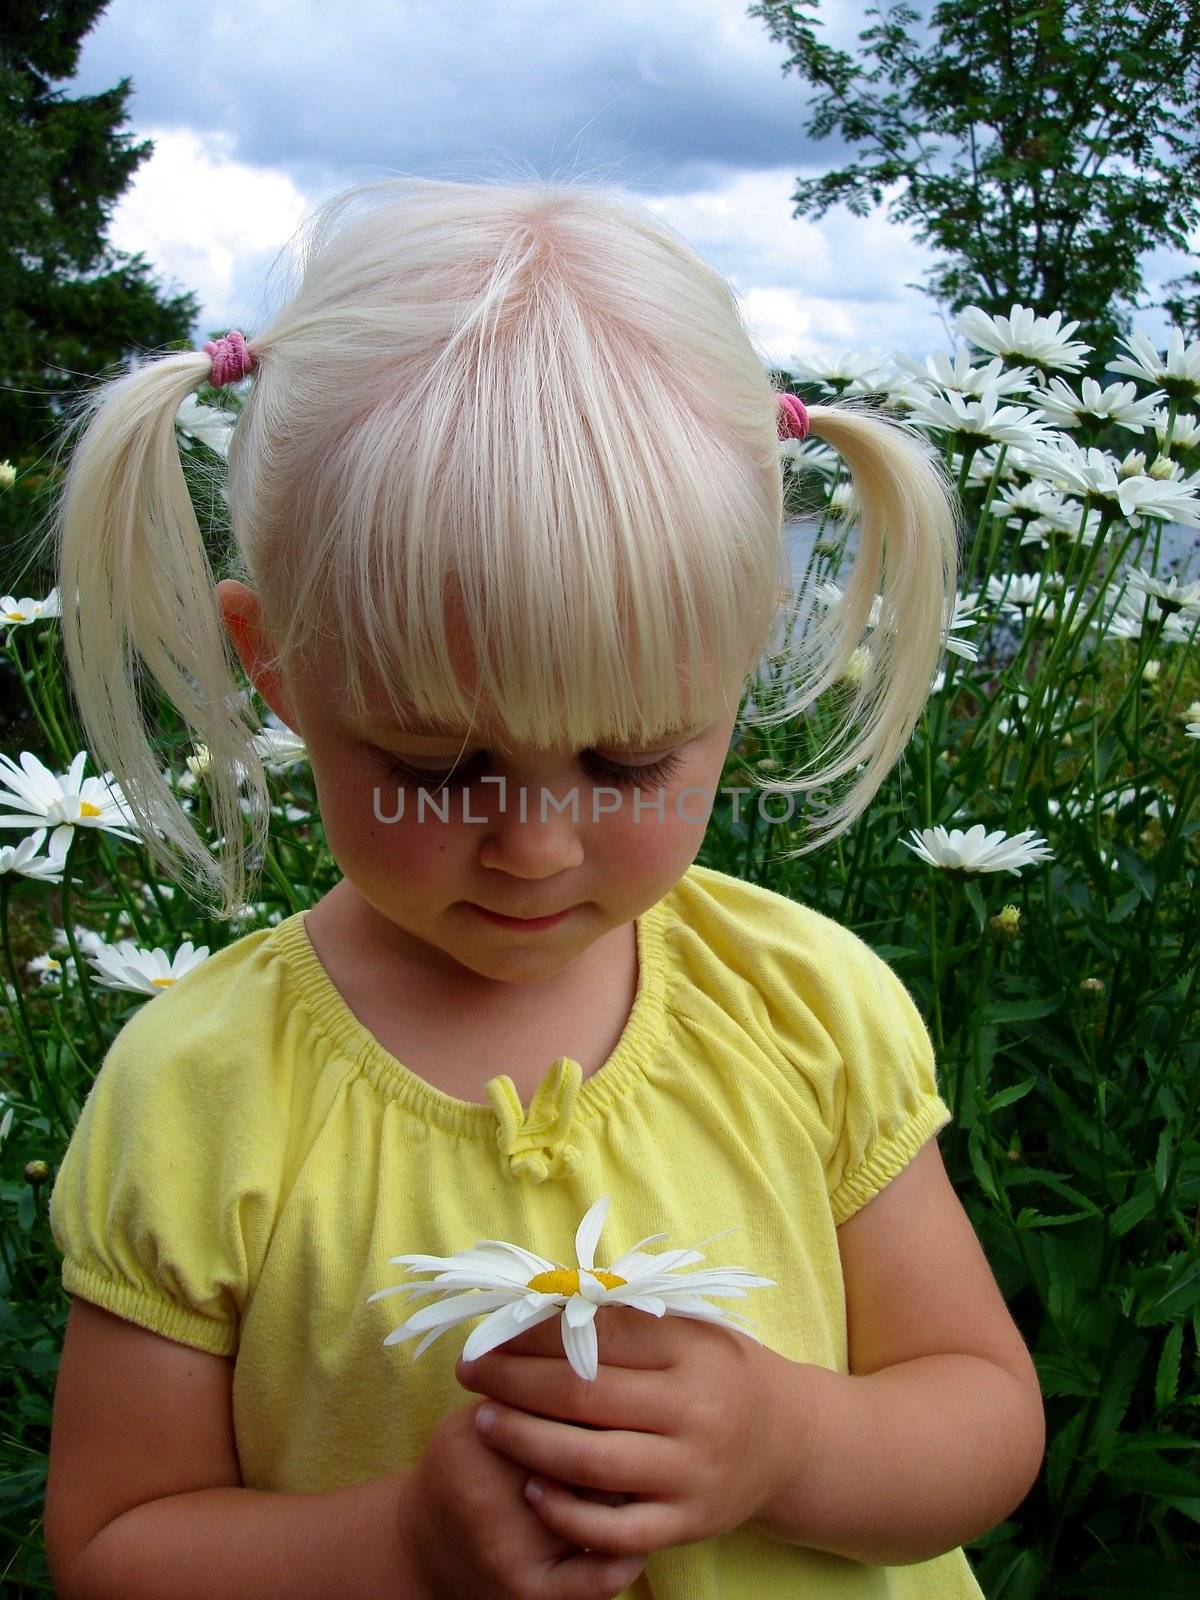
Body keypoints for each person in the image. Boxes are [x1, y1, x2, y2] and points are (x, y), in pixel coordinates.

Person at [41, 176, 1044, 1600]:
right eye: (440, 767)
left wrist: (787, 1440)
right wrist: (394, 1549)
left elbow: (986, 1420)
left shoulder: (809, 1008)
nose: (537, 845)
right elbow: (115, 1547)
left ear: (743, 653)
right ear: (278, 668)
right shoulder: (198, 1093)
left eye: (630, 759)